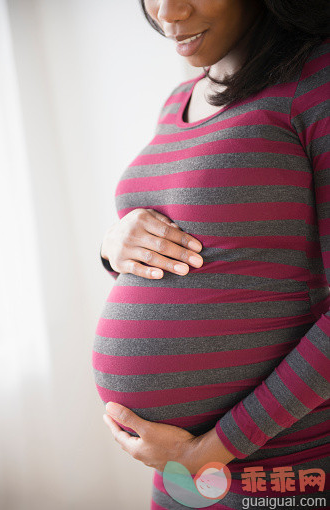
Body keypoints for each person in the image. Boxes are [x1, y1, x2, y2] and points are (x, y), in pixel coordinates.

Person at [93, 1, 330, 508]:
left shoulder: (316, 82)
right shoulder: (178, 98)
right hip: (178, 475)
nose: (167, 12)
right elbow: (212, 255)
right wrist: (112, 247)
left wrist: (211, 450)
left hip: (286, 468)